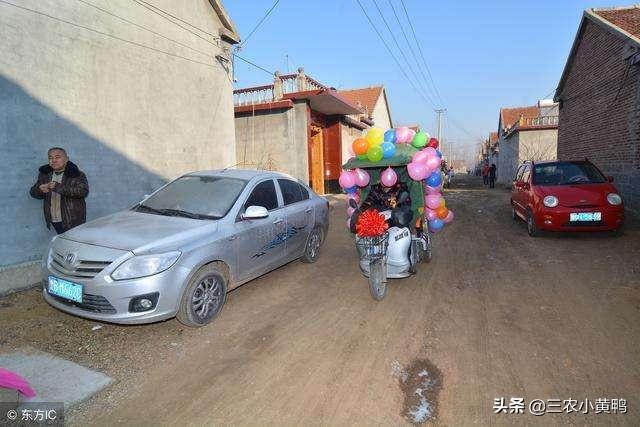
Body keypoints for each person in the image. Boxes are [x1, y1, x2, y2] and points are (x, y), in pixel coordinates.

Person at [29, 147, 89, 234]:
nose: (53, 160)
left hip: (72, 219)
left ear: (66, 159)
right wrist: (40, 190)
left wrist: (57, 186)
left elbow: (83, 191)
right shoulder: (45, 174)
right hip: (53, 220)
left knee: (74, 241)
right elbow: (33, 193)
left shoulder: (76, 174)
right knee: (63, 241)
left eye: (57, 157)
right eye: (50, 158)